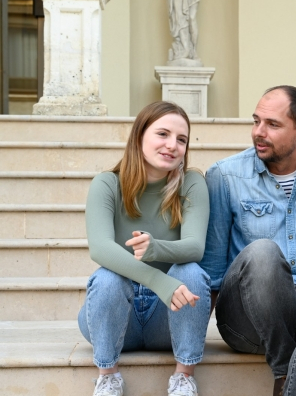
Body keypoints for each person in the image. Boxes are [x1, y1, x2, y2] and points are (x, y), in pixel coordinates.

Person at [201, 85, 296, 396]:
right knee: (263, 252)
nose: (259, 132)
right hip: (244, 321)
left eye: (272, 124)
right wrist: (192, 341)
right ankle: (285, 368)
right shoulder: (225, 176)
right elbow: (213, 267)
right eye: (256, 121)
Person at [78, 101, 211, 396]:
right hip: (115, 313)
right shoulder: (107, 184)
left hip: (168, 316)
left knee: (190, 271)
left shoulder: (191, 183)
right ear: (139, 136)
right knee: (106, 277)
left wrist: (155, 249)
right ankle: (108, 377)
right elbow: (100, 248)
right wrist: (157, 279)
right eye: (162, 134)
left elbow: (194, 247)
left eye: (181, 139)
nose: (172, 145)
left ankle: (183, 377)